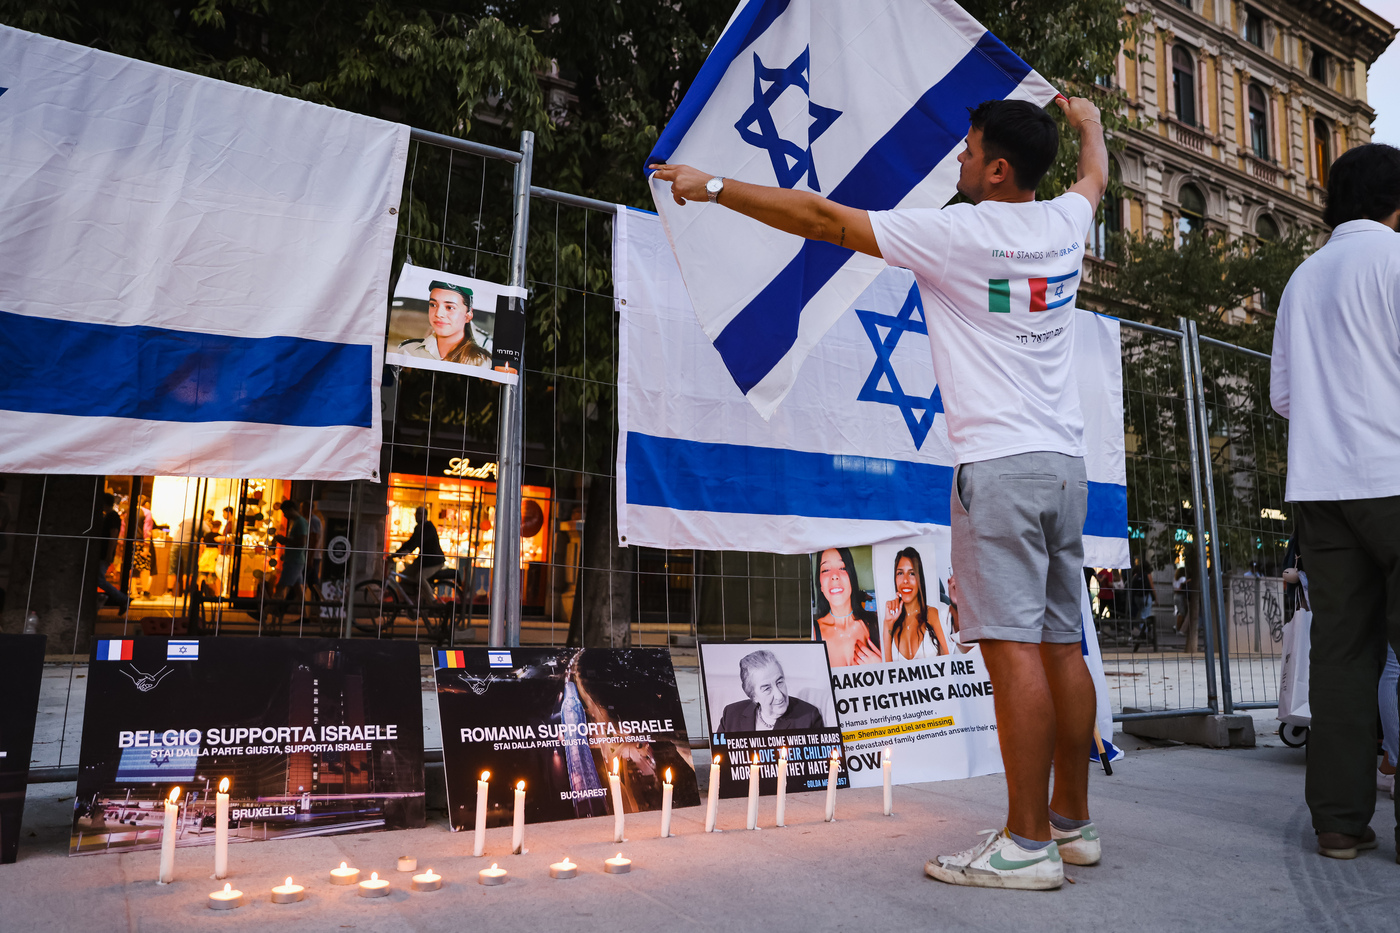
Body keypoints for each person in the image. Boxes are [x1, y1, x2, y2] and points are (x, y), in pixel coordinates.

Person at [652, 94, 1107, 889]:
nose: (958, 162)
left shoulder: (957, 232)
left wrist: (710, 185)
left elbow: (824, 219)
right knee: (1062, 646)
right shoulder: (1066, 222)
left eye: (969, 151)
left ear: (998, 169)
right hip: (1067, 467)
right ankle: (1071, 823)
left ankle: (1027, 842)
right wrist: (1090, 124)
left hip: (997, 469)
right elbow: (1096, 176)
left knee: (1011, 655)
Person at [1270, 142, 1400, 860]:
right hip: (1394, 474)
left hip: (1321, 489)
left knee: (1342, 656)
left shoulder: (1302, 277)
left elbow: (1283, 395)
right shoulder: (1396, 261)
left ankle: (1339, 821)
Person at [716, 649, 825, 733]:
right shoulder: (731, 714)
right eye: (767, 688)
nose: (779, 696)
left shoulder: (808, 717)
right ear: (753, 696)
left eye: (780, 682)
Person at [812, 547, 882, 667]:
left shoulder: (877, 624)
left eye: (842, 568)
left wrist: (882, 668)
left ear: (852, 578)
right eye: (825, 570)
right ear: (820, 586)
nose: (834, 576)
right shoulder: (813, 633)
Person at [396, 281, 491, 365]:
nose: (438, 314)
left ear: (468, 315)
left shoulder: (483, 362)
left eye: (450, 307)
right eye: (433, 305)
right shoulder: (408, 351)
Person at [884, 547, 950, 660]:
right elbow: (889, 673)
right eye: (900, 573)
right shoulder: (891, 622)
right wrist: (887, 625)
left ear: (920, 578)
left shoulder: (933, 614)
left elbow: (951, 660)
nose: (905, 580)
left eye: (912, 573)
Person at [394, 505, 445, 609]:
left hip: (434, 561)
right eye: (416, 514)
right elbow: (411, 542)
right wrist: (397, 552)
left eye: (420, 514)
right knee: (404, 576)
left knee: (420, 577)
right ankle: (413, 599)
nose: (417, 516)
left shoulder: (429, 527)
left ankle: (432, 601)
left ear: (425, 516)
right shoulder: (418, 528)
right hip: (423, 560)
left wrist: (407, 551)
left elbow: (419, 541)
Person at [91, 492, 130, 613]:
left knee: (98, 579)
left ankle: (122, 598)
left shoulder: (112, 517)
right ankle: (114, 598)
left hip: (104, 553)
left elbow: (113, 536)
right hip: (103, 553)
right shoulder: (110, 516)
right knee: (97, 578)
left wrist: (109, 554)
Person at [271, 500, 309, 600]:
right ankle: (304, 614)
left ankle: (267, 610)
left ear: (291, 510)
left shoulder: (300, 522)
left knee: (281, 586)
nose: (284, 515)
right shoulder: (296, 522)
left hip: (294, 561)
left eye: (285, 512)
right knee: (298, 589)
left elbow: (301, 542)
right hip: (294, 559)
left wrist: (284, 541)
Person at [1173, 566, 1189, 635]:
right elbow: (1182, 585)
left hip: (1175, 596)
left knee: (1180, 612)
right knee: (1182, 613)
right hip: (1180, 596)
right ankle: (1178, 628)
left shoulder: (1175, 578)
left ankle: (1177, 627)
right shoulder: (1183, 578)